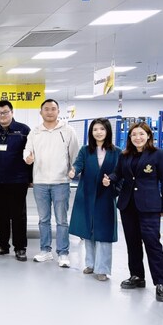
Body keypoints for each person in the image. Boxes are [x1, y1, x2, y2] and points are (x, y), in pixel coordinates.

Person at [103, 122, 163, 302]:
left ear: (148, 135)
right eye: (134, 135)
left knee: (152, 243)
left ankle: (161, 282)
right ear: (130, 138)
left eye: (141, 134)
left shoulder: (159, 154)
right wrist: (109, 179)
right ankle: (137, 276)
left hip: (149, 206)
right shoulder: (125, 155)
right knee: (132, 242)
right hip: (127, 205)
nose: (138, 137)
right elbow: (118, 174)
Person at [23, 98, 79, 267]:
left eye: (53, 109)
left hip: (61, 181)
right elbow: (27, 150)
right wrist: (27, 158)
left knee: (61, 220)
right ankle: (45, 250)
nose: (49, 112)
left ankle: (63, 253)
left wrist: (73, 171)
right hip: (40, 182)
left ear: (58, 112)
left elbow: (75, 155)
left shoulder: (68, 130)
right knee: (43, 219)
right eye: (46, 109)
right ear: (41, 112)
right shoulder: (35, 132)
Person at [0, 100, 32, 262]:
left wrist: (30, 178)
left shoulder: (23, 130)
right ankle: (3, 245)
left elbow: (31, 154)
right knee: (0, 214)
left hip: (18, 180)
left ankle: (20, 247)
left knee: (18, 215)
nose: (2, 115)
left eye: (5, 112)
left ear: (12, 112)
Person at [69, 118, 121, 281]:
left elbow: (120, 173)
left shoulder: (117, 152)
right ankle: (91, 264)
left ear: (108, 131)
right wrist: (73, 171)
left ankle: (102, 269)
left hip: (106, 196)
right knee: (88, 230)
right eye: (95, 129)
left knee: (104, 233)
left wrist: (111, 183)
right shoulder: (85, 150)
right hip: (87, 194)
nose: (98, 132)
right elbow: (78, 164)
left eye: (102, 129)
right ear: (91, 132)